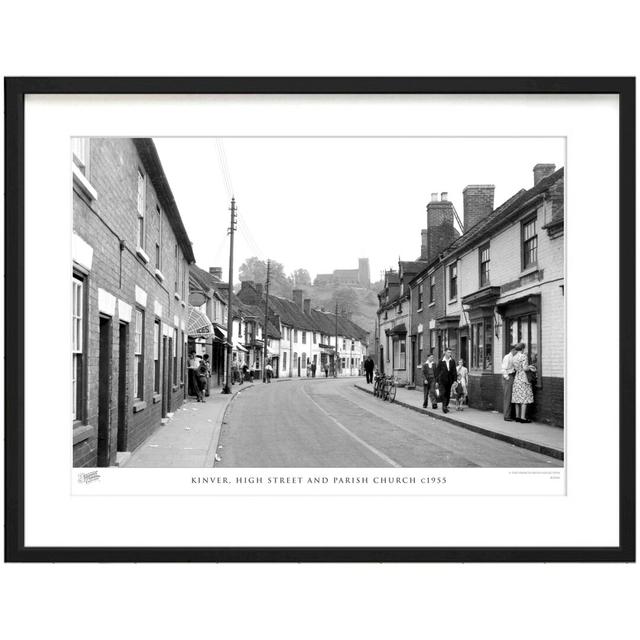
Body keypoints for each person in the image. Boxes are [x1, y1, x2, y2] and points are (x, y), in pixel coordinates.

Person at [511, 343, 535, 423]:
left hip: (517, 378)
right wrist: (531, 368)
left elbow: (515, 368)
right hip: (523, 378)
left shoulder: (514, 357)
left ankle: (517, 417)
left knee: (517, 398)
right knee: (524, 398)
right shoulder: (523, 356)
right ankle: (523, 418)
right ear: (522, 349)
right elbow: (525, 368)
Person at [435, 348, 457, 414]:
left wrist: (455, 380)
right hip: (442, 380)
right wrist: (437, 381)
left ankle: (446, 405)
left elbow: (454, 371)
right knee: (443, 393)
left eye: (450, 352)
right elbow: (437, 371)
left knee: (447, 394)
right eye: (448, 352)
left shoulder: (452, 361)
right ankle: (444, 407)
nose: (449, 354)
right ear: (445, 353)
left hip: (449, 380)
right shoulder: (441, 361)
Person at [501, 344, 518, 421]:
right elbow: (503, 369)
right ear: (513, 350)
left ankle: (510, 415)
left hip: (511, 376)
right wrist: (507, 378)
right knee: (508, 397)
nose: (517, 352)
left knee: (510, 396)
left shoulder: (513, 357)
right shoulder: (507, 357)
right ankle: (506, 416)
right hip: (508, 377)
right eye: (516, 351)